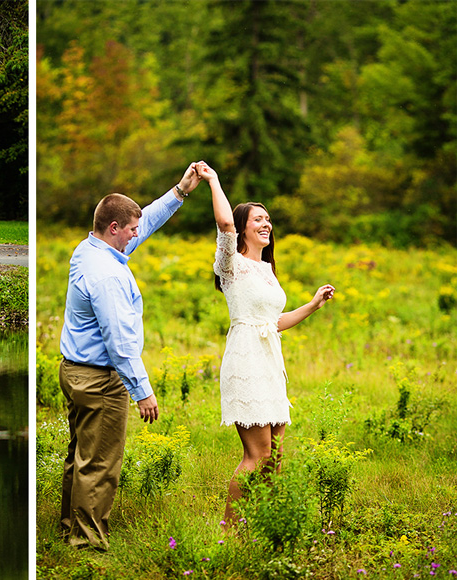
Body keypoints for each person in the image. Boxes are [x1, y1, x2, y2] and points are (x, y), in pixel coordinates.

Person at [59, 163, 203, 551]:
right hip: (99, 379)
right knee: (101, 463)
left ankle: (69, 525)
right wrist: (143, 391)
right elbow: (120, 343)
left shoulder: (89, 249)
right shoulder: (108, 276)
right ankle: (87, 544)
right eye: (132, 229)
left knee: (81, 454)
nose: (137, 234)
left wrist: (180, 192)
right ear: (114, 229)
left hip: (73, 371)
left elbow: (144, 224)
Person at [196, 161, 335, 528]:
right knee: (257, 455)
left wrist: (312, 304)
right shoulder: (231, 264)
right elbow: (224, 224)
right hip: (246, 361)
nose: (266, 224)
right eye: (258, 219)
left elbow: (274, 323)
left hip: (271, 362)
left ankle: (264, 526)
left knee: (275, 457)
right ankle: (229, 533)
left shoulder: (267, 270)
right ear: (243, 228)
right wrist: (213, 180)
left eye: (268, 218)